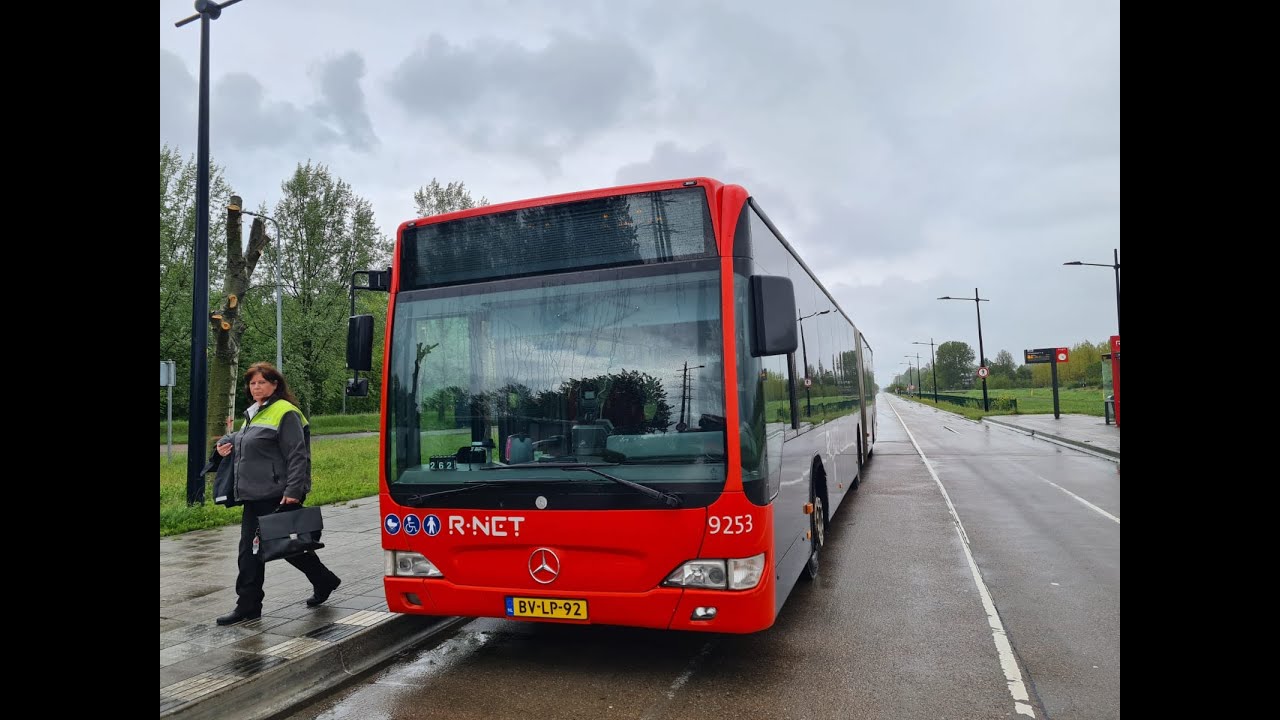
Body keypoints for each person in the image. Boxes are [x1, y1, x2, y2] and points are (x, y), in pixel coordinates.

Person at [215, 362, 342, 626]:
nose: (256, 387)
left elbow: (298, 455)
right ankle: (249, 605)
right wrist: (224, 445)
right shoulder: (254, 414)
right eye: (252, 383)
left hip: (278, 493)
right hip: (253, 494)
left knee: (286, 547)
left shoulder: (286, 412)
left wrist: (294, 491)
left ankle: (323, 581)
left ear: (275, 385)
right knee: (251, 552)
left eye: (262, 382)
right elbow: (245, 441)